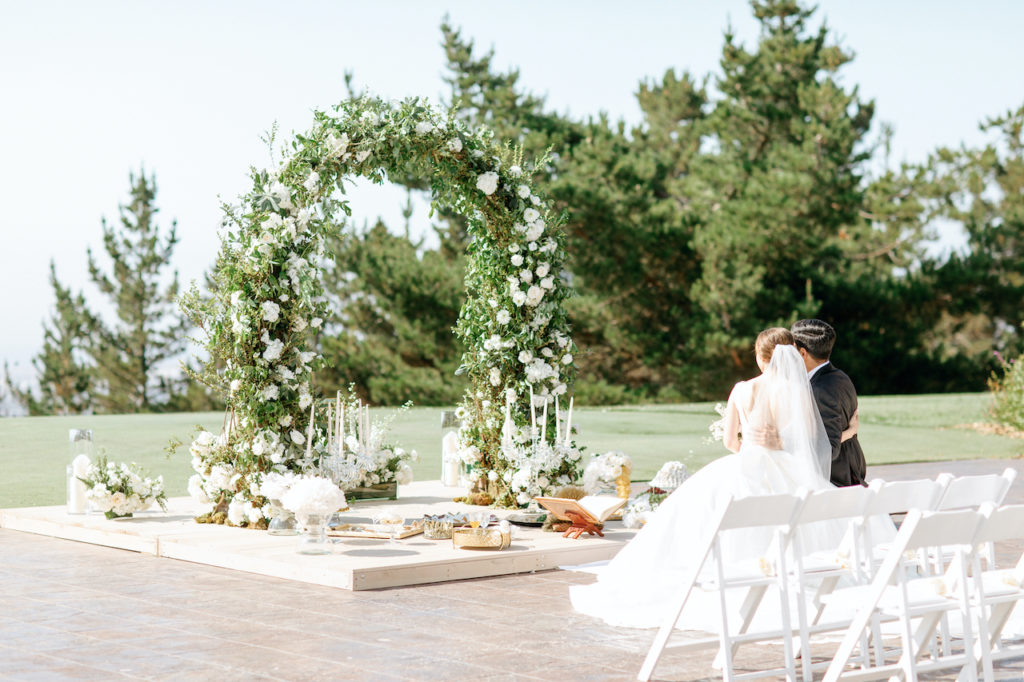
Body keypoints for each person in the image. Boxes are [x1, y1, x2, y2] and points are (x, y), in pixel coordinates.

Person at [570, 328, 881, 632]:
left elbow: (732, 442)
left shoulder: (743, 389)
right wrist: (849, 430)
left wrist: (751, 445)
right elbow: (810, 445)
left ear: (761, 358)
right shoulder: (798, 392)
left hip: (745, 466)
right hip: (789, 470)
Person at [790, 319, 866, 487]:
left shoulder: (820, 389)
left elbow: (828, 449)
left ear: (802, 353)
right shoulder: (840, 376)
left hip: (833, 478)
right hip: (849, 468)